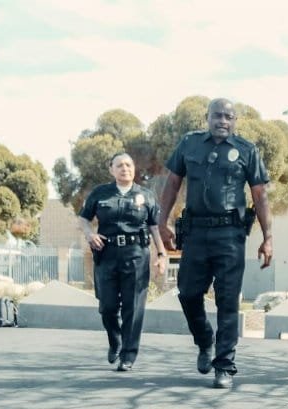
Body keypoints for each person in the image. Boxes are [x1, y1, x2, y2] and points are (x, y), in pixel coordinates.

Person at [157, 98, 273, 390]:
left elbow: (260, 196)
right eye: (218, 116)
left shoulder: (247, 150)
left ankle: (224, 365)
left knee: (227, 301)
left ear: (235, 121)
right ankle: (204, 340)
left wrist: (267, 236)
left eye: (229, 117)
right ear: (207, 118)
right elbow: (172, 184)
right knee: (188, 293)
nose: (223, 121)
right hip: (195, 233)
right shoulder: (189, 144)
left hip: (230, 236)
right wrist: (162, 222)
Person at [77, 152, 165, 372]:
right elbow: (83, 218)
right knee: (107, 307)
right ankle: (115, 340)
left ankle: (128, 354)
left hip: (136, 254)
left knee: (133, 307)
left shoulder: (146, 195)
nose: (124, 168)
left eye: (128, 164)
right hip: (106, 254)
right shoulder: (100, 193)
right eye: (119, 165)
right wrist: (89, 234)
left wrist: (162, 254)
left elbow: (154, 226)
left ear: (134, 168)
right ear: (111, 170)